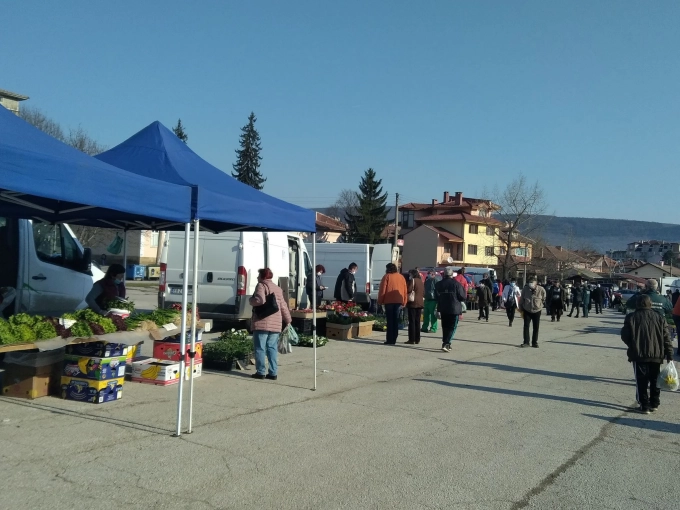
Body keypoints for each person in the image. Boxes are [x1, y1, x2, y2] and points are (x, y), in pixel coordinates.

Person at [620, 295, 673, 413]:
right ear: (650, 304)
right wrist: (669, 354)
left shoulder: (631, 317)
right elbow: (667, 337)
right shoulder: (659, 317)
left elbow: (624, 335)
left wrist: (632, 345)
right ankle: (654, 403)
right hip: (656, 354)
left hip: (639, 354)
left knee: (641, 381)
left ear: (637, 304)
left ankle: (644, 405)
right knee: (655, 380)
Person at [249, 268, 292, 380]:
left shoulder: (261, 285)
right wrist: (288, 320)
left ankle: (261, 372)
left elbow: (260, 300)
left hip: (262, 322)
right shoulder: (278, 288)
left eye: (258, 275)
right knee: (272, 348)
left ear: (262, 276)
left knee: (260, 348)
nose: (257, 277)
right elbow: (283, 306)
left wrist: (251, 300)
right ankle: (273, 373)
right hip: (276, 323)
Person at [435, 267, 467, 352]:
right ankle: (446, 343)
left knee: (445, 326)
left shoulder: (439, 284)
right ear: (452, 274)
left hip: (443, 308)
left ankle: (446, 343)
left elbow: (435, 296)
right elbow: (462, 296)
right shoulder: (456, 284)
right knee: (452, 327)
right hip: (454, 308)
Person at [377, 263, 407, 345]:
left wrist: (380, 301)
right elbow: (405, 290)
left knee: (390, 321)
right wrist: (404, 301)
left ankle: (390, 339)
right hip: (399, 301)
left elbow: (382, 290)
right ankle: (394, 338)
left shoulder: (387, 276)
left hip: (389, 301)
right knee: (396, 320)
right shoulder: (401, 277)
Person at [519, 276, 546, 348]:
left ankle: (534, 342)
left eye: (532, 282)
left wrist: (540, 305)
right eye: (529, 283)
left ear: (536, 283)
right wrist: (521, 309)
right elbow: (521, 300)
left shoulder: (541, 289)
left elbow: (544, 298)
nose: (531, 284)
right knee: (526, 326)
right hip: (527, 310)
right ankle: (526, 342)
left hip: (537, 310)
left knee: (536, 327)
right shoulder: (525, 289)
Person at [406, 269, 425, 344]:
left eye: (410, 274)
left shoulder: (413, 280)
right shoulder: (421, 281)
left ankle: (412, 339)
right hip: (420, 303)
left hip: (413, 302)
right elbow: (423, 292)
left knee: (412, 321)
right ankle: (417, 339)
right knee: (417, 321)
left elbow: (409, 289)